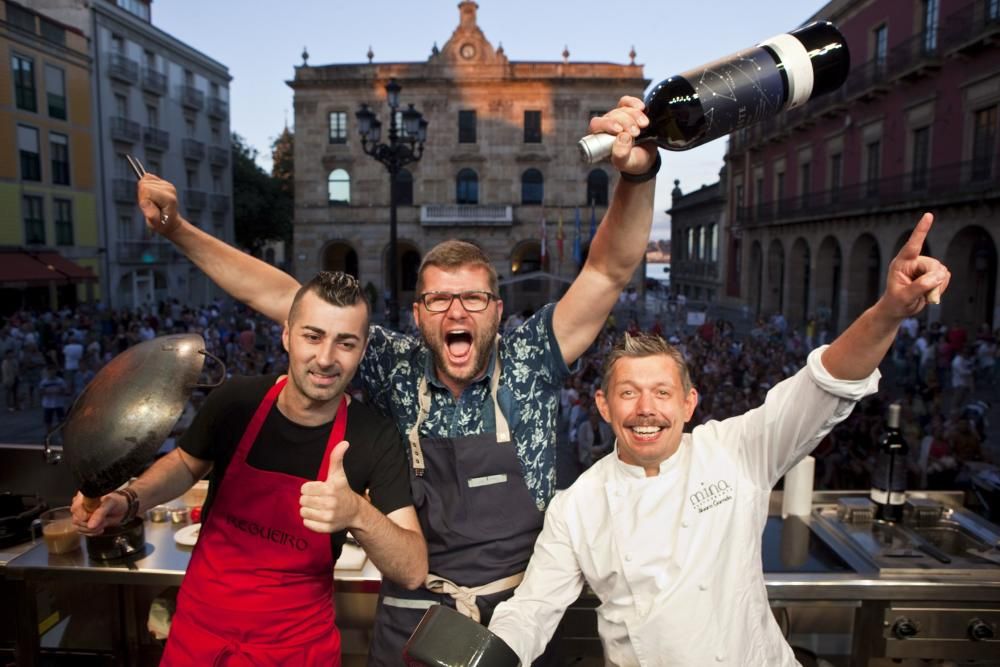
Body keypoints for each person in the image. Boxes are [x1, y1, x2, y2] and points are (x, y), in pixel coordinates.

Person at [134, 96, 658, 664]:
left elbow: (608, 269)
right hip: (412, 620)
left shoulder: (532, 356)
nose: (457, 313)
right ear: (416, 314)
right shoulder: (389, 359)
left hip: (519, 620)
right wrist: (178, 230)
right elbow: (281, 295)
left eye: (474, 298)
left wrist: (637, 175)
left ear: (499, 311)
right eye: (438, 299)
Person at [487, 214, 950, 665]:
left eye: (662, 393)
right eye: (628, 393)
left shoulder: (736, 451)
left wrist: (887, 311)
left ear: (688, 405)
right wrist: (487, 658)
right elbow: (531, 609)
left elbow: (825, 383)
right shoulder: (578, 506)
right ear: (604, 406)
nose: (645, 409)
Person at [72, 272, 428, 664]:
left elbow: (412, 570)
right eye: (313, 336)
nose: (326, 358)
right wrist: (129, 498)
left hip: (296, 650)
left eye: (346, 343)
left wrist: (357, 513)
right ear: (287, 335)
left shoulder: (373, 437)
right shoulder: (236, 401)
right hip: (198, 638)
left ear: (362, 351)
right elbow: (186, 464)